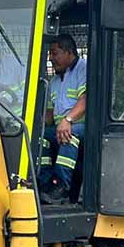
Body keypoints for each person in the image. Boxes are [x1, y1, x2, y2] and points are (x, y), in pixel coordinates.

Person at [39, 34, 86, 204]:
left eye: (54, 53)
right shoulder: (54, 81)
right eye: (49, 54)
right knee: (40, 137)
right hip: (61, 126)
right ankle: (45, 183)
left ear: (69, 52)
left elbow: (85, 100)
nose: (50, 58)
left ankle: (61, 186)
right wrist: (36, 124)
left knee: (67, 136)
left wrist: (68, 120)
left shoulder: (83, 69)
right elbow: (50, 115)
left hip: (83, 125)